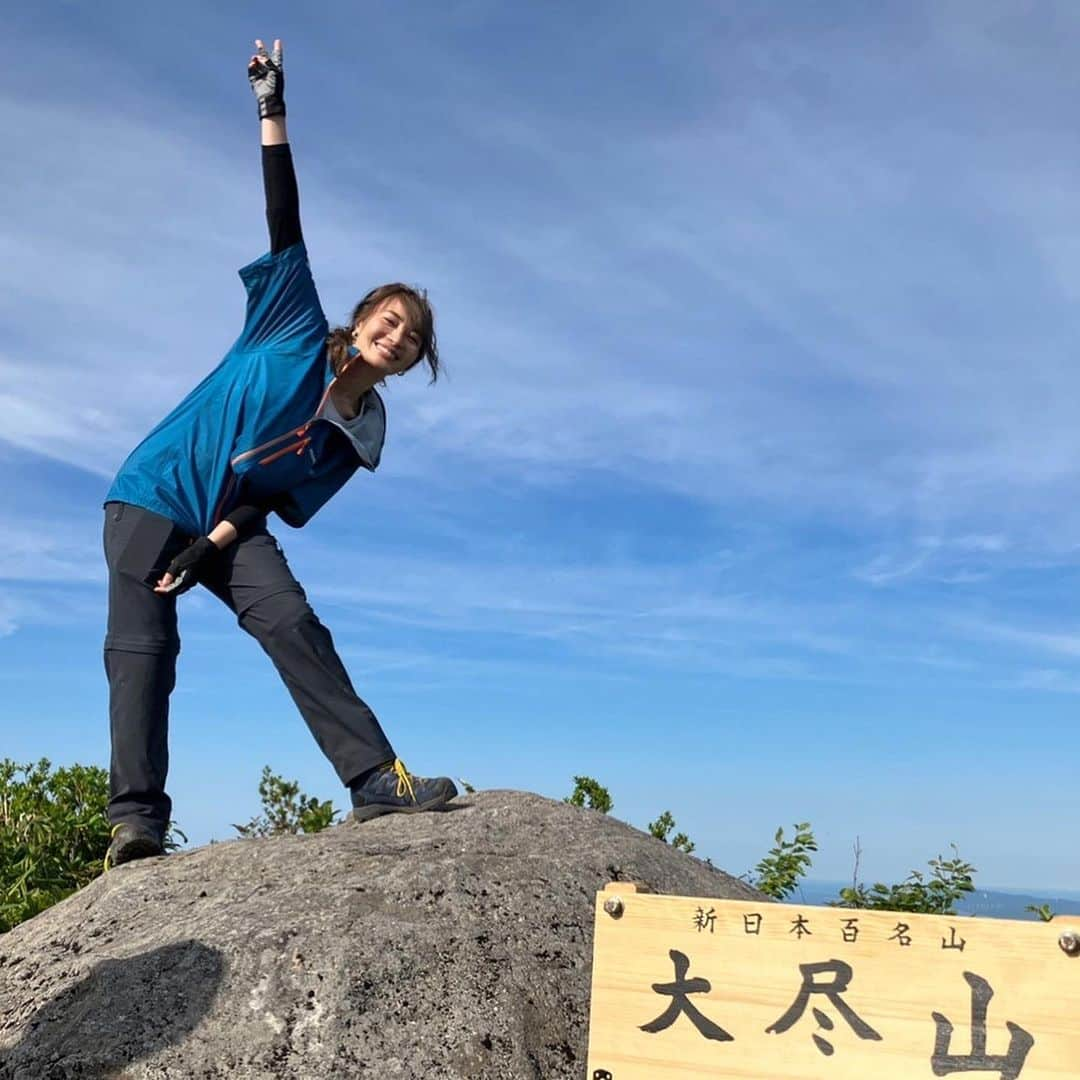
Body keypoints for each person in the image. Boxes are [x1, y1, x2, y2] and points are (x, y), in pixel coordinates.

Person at [101, 39, 457, 870]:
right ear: (364, 314)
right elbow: (282, 212)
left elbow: (272, 498)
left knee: (292, 620)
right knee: (144, 653)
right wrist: (270, 107)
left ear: (413, 359)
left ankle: (374, 778)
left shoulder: (359, 431)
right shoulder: (292, 319)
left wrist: (212, 545)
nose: (396, 334)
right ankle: (136, 823)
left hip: (224, 523)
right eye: (390, 317)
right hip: (154, 490)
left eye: (411, 335)